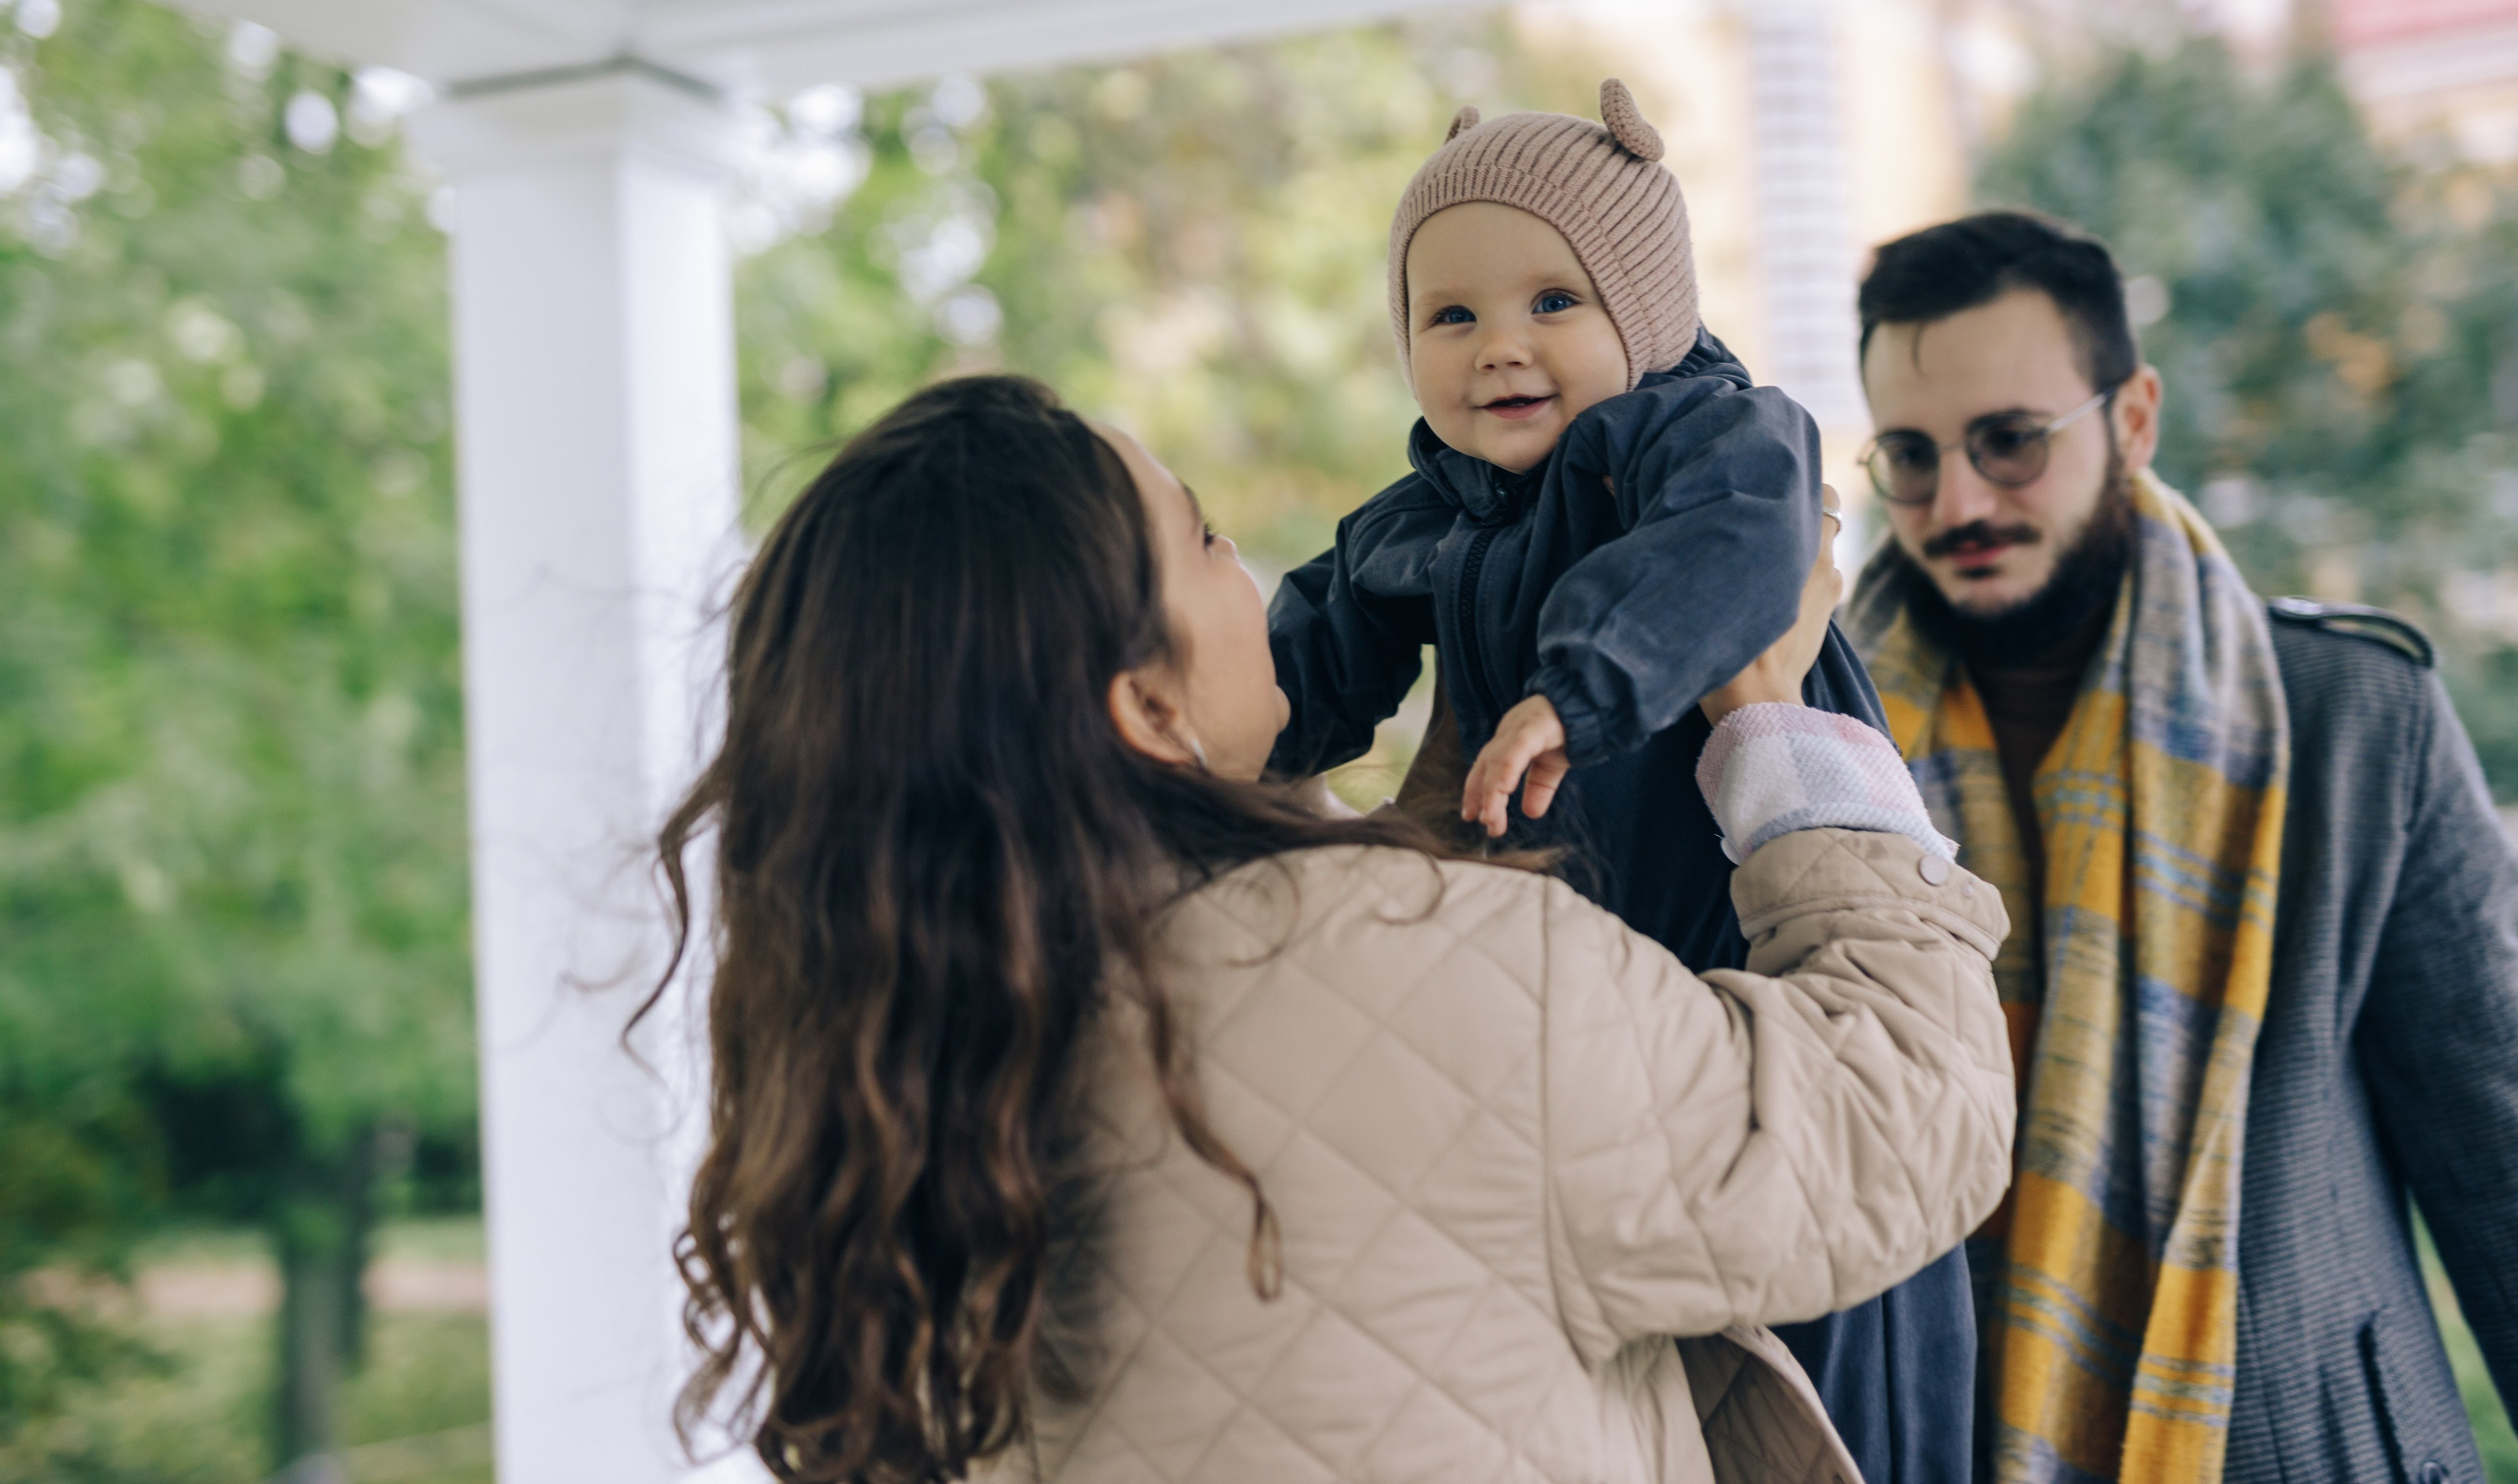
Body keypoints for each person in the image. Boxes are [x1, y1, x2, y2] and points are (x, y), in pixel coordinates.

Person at [653, 374, 2014, 1483]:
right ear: (1146, 708)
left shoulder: (883, 1088)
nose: (1248, 566)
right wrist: (1772, 717)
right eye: (1203, 540)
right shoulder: (1418, 966)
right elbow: (1899, 1122)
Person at [1268, 79, 1979, 1479]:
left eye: (1554, 301)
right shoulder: (1428, 514)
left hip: (1750, 901)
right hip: (1598, 981)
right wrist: (1214, 756)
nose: (1499, 348)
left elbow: (1736, 544)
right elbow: (1312, 650)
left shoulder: (1705, 436)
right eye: (1449, 316)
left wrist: (1582, 684)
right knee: (1675, 1324)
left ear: (1645, 311)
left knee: (1837, 1316)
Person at [1843, 208, 2518, 1484]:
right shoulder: (1819, 754)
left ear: (2135, 419)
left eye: (2011, 441)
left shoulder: (2352, 718)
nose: (1960, 502)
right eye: (1914, 458)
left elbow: (2499, 1159)